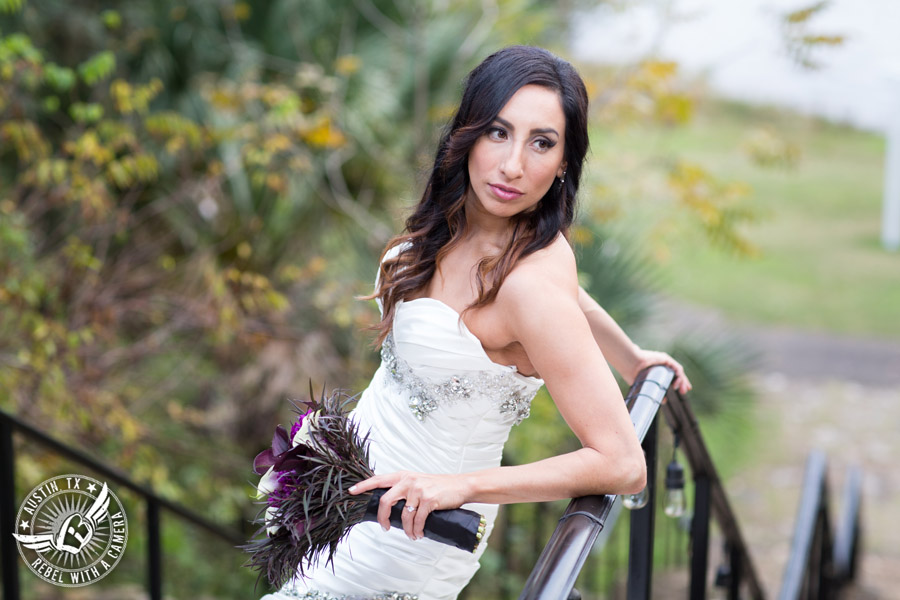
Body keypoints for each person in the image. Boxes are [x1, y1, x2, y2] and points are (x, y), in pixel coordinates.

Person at [261, 45, 691, 600]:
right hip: (352, 497)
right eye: (497, 132)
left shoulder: (531, 285)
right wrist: (630, 356)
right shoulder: (462, 226)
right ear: (466, 133)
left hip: (414, 533)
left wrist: (458, 487)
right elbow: (573, 298)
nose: (514, 166)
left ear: (564, 162)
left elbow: (623, 463)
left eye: (542, 143)